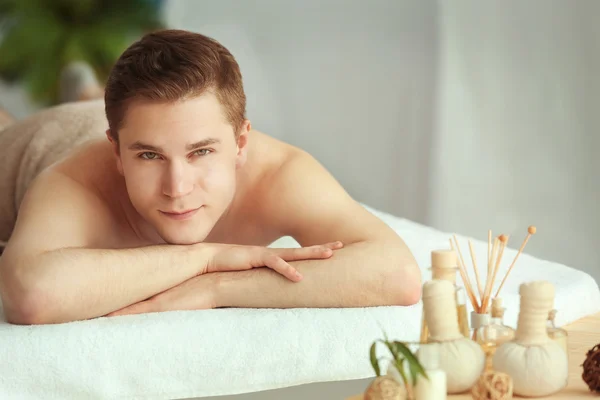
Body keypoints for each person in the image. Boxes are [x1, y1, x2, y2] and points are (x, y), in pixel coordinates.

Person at [0, 29, 421, 325]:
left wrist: (216, 288)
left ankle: (92, 95)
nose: (177, 188)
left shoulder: (278, 174)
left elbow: (396, 274)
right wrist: (204, 257)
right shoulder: (75, 181)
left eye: (202, 152)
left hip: (118, 121)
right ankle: (78, 101)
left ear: (241, 143)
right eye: (148, 156)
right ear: (117, 153)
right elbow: (32, 297)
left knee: (129, 118)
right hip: (32, 141)